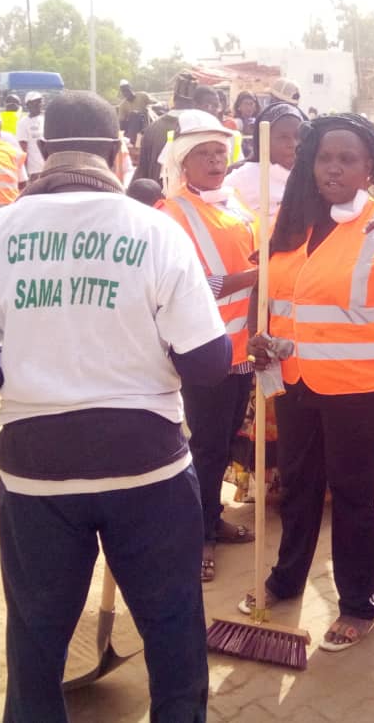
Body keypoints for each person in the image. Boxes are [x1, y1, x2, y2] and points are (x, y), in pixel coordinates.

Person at [0, 91, 226, 722]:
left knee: (35, 647)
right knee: (173, 637)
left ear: (38, 153)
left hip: (36, 475)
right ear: (119, 154)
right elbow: (208, 363)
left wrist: (11, 369)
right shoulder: (156, 231)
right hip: (149, 470)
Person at [244, 114, 374, 651]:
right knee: (297, 487)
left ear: (370, 167)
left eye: (347, 159)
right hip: (294, 380)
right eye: (324, 158)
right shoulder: (292, 222)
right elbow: (268, 289)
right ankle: (286, 578)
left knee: (353, 492)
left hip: (364, 388)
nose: (333, 168)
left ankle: (359, 601)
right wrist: (257, 333)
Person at [158, 110, 259, 583]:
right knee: (204, 447)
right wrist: (258, 276)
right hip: (204, 350)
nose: (216, 161)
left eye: (221, 152)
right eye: (204, 154)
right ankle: (197, 536)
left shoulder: (235, 203)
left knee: (221, 445)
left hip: (242, 350)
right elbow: (194, 285)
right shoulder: (171, 213)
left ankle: (211, 520)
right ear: (184, 162)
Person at [222, 101, 305, 219]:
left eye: (298, 136)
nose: (293, 144)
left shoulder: (311, 175)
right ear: (264, 140)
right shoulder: (246, 176)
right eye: (283, 137)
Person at [16, 92, 46, 182]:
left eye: (40, 101)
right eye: (36, 102)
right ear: (28, 105)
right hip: (34, 171)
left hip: (47, 168)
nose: (39, 104)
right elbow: (23, 148)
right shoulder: (23, 123)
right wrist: (24, 172)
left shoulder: (45, 119)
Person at [118, 80, 155, 144]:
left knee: (136, 114)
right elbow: (122, 123)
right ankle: (132, 142)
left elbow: (158, 103)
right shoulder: (122, 106)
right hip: (133, 128)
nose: (126, 93)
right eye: (124, 91)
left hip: (147, 123)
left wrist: (150, 107)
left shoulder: (143, 96)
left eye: (127, 90)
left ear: (131, 88)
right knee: (134, 115)